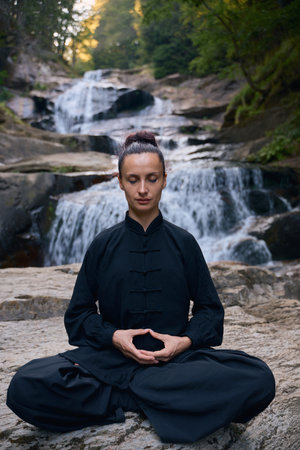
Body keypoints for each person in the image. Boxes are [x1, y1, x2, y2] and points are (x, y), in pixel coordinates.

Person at [6, 131, 275, 444]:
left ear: (164, 179)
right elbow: (78, 315)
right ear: (119, 181)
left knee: (259, 378)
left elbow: (210, 312)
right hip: (110, 361)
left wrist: (184, 342)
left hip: (175, 363)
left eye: (152, 178)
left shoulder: (184, 243)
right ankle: (149, 399)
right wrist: (114, 337)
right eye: (133, 179)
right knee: (25, 384)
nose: (143, 189)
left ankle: (124, 397)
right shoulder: (102, 245)